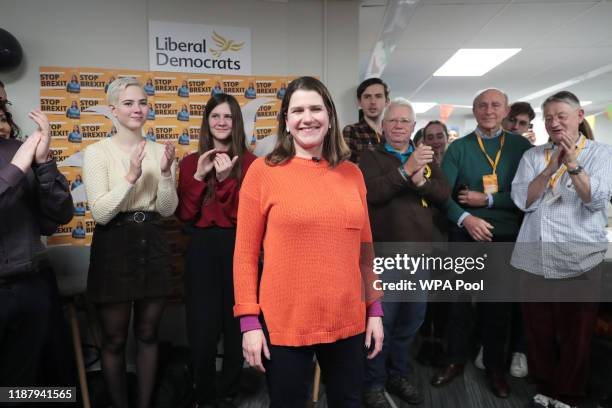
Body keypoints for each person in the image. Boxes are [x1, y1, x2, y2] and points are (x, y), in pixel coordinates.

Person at [234, 76, 383, 408]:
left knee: (349, 402)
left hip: (347, 317)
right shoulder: (263, 172)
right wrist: (248, 323)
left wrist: (374, 308)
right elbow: (244, 255)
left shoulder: (352, 174)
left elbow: (366, 248)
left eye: (316, 108)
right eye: (297, 110)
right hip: (285, 321)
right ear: (286, 121)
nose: (307, 118)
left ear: (329, 117)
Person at [510, 91, 612, 408]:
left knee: (576, 332)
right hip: (534, 255)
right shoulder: (532, 156)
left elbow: (595, 199)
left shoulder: (601, 154)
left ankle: (567, 395)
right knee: (538, 330)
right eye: (549, 117)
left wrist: (571, 165)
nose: (554, 122)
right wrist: (549, 167)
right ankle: (545, 388)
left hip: (580, 256)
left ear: (579, 116)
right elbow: (521, 201)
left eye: (561, 116)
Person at [82, 77, 178, 408]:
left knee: (149, 334)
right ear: (112, 110)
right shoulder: (96, 152)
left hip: (152, 242)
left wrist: (165, 174)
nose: (137, 109)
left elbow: (167, 209)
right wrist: (130, 178)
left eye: (142, 102)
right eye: (128, 103)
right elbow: (101, 213)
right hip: (114, 244)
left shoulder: (160, 150)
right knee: (114, 338)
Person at [431, 88, 532, 399]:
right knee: (458, 304)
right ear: (474, 111)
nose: (489, 111)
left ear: (505, 111)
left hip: (504, 236)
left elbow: (525, 196)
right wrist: (467, 219)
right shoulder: (459, 148)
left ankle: (495, 368)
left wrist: (487, 201)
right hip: (465, 235)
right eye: (482, 106)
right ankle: (454, 361)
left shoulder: (521, 148)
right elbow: (442, 195)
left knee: (497, 308)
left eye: (496, 105)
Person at [359, 98, 451, 408]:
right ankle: (372, 383)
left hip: (420, 258)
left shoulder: (426, 157)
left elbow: (443, 194)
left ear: (413, 128)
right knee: (381, 323)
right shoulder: (370, 157)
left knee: (411, 322)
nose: (399, 125)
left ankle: (397, 374)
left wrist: (421, 180)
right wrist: (405, 171)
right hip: (384, 257)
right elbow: (373, 193)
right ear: (383, 127)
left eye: (405, 121)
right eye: (393, 120)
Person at [177, 93, 257, 408]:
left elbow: (246, 218)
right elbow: (184, 215)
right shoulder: (188, 162)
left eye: (228, 117)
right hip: (202, 248)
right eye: (215, 117)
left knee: (237, 324)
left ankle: (230, 389)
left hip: (240, 245)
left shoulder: (251, 164)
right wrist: (199, 176)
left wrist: (225, 182)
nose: (221, 122)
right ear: (207, 122)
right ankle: (205, 392)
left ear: (236, 122)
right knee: (202, 326)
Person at [0, 100, 74, 388]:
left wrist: (43, 165)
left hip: (30, 283)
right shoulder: (17, 157)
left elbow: (57, 216)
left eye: (3, 114)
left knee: (24, 382)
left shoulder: (14, 150)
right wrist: (18, 165)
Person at [343, 77, 390, 163]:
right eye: (367, 97)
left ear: (387, 101)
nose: (373, 102)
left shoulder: (392, 132)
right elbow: (347, 169)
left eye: (378, 96)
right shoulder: (352, 131)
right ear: (359, 102)